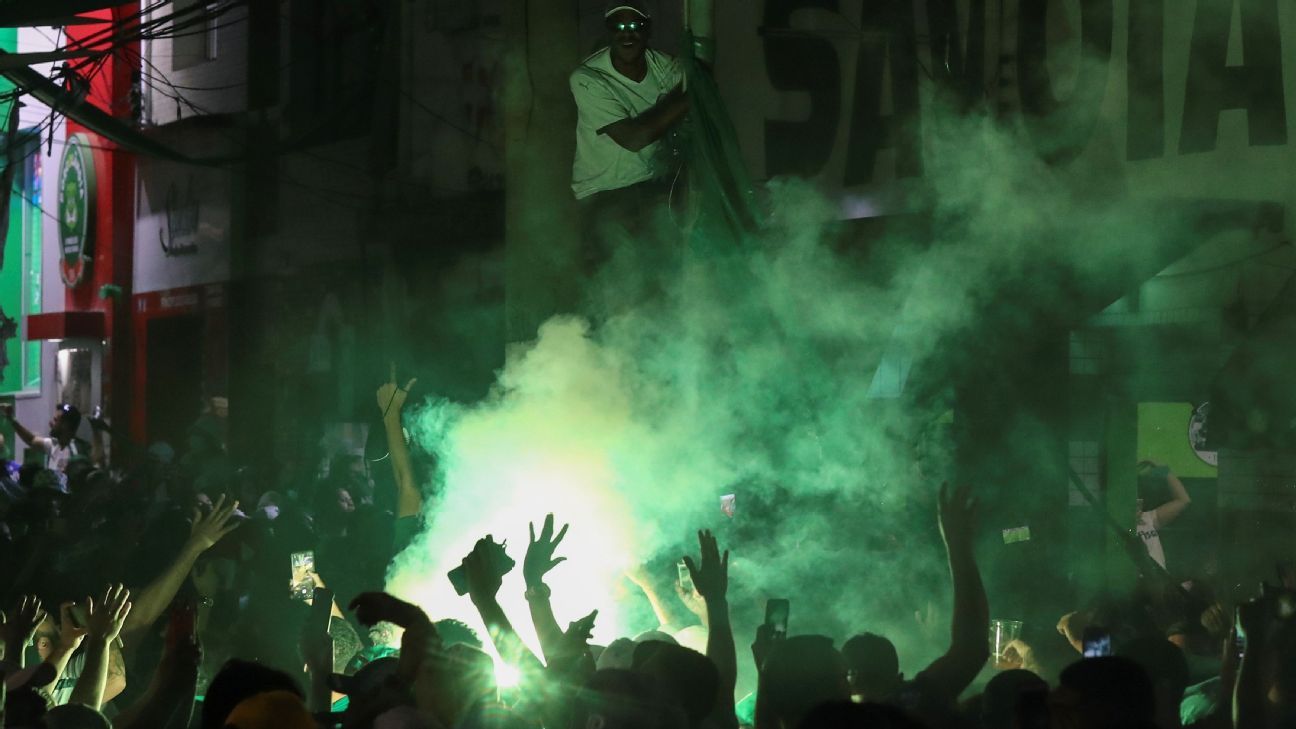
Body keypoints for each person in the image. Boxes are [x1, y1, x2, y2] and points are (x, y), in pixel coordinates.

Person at [571, 0, 690, 262]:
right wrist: (688, 98)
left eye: (635, 25)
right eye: (618, 26)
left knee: (662, 275)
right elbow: (634, 138)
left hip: (651, 184)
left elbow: (695, 86)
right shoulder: (588, 77)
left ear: (647, 30)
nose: (627, 34)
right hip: (606, 191)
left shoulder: (665, 66)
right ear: (609, 31)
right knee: (617, 280)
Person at [3, 403, 93, 477]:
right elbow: (31, 440)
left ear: (65, 425)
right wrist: (11, 418)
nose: (50, 423)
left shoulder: (77, 452)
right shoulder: (55, 444)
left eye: (55, 420)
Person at [1135, 461, 1192, 571]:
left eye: (1138, 499)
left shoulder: (1147, 518)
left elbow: (1183, 500)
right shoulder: (1117, 524)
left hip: (1159, 583)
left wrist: (1164, 471)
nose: (1137, 502)